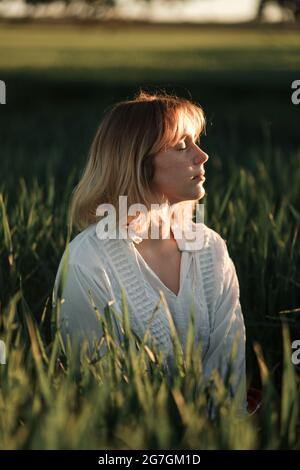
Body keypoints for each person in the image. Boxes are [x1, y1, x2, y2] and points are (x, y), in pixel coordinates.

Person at [53, 90, 247, 413]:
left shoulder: (211, 249)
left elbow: (230, 370)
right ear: (138, 162)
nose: (202, 156)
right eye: (182, 146)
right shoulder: (87, 262)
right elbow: (94, 394)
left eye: (196, 142)